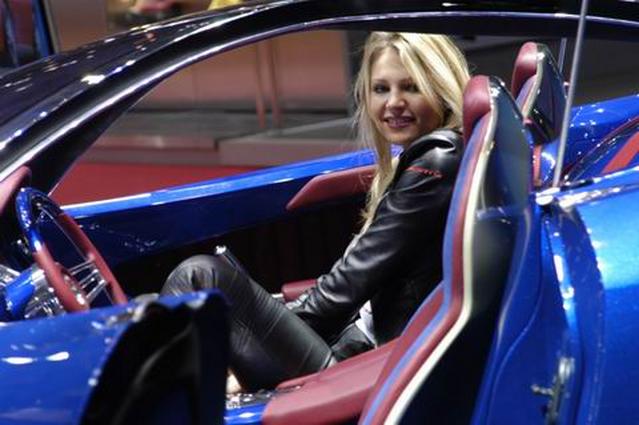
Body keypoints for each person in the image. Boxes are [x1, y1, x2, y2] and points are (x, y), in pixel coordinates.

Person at [161, 32, 470, 392]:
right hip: (363, 349)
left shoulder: (436, 162)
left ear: (440, 87)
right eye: (381, 89)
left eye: (411, 87)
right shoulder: (439, 154)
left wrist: (265, 338)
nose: (393, 103)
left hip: (372, 369)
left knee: (200, 276)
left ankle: (151, 404)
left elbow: (348, 285)